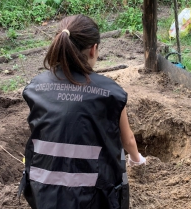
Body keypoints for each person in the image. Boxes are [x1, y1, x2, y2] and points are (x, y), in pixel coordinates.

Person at [18, 14, 146, 209]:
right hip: (95, 199)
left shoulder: (35, 87)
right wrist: (137, 160)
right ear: (93, 49)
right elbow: (127, 140)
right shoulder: (110, 93)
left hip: (43, 196)